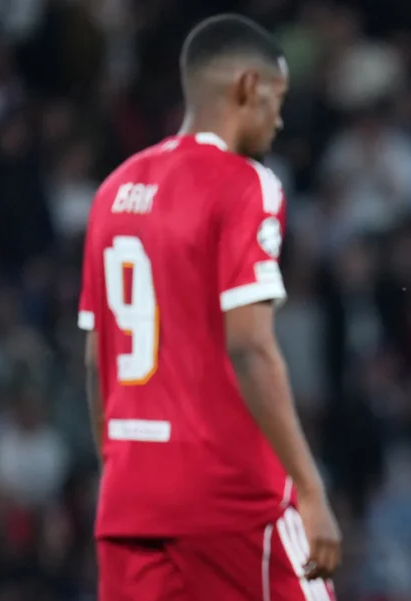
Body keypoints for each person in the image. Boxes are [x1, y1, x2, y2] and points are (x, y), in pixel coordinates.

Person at [77, 14, 340, 601]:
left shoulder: (112, 191)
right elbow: (249, 346)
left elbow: (97, 362)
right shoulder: (246, 183)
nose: (278, 119)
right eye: (276, 100)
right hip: (230, 497)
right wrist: (310, 487)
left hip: (129, 500)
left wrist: (120, 473)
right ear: (248, 87)